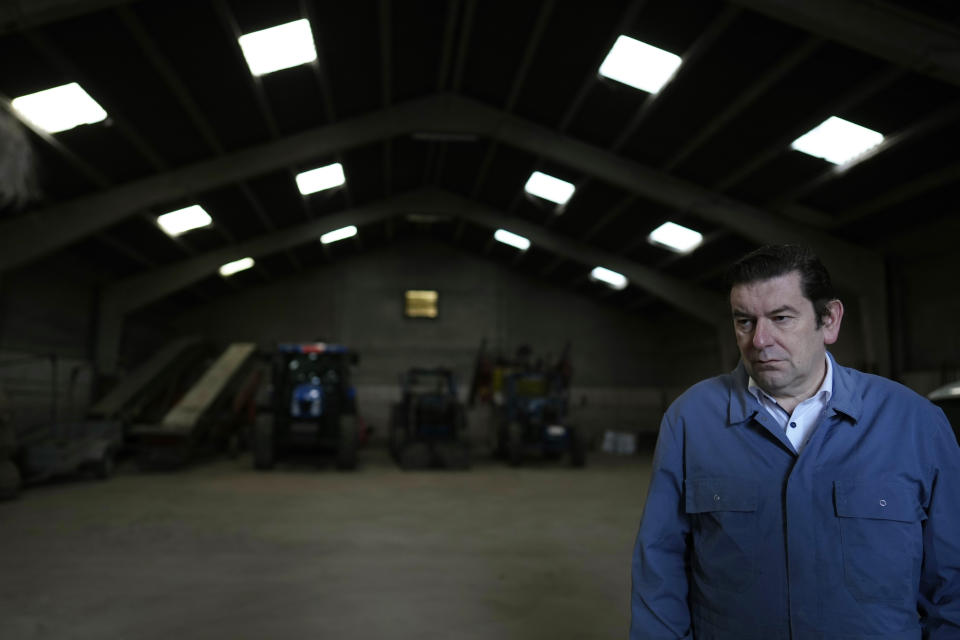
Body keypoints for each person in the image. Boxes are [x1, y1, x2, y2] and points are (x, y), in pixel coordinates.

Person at [630, 244, 960, 639]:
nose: (759, 340)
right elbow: (660, 570)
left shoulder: (914, 423)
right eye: (744, 321)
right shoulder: (691, 421)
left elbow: (952, 582)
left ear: (830, 320)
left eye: (781, 318)